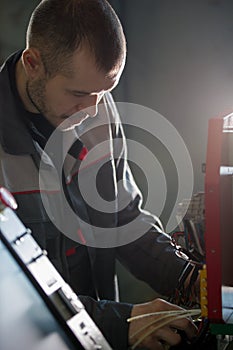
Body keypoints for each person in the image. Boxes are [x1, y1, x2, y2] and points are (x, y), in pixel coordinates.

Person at [0, 0, 198, 349]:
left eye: (104, 92)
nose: (93, 109)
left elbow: (121, 220)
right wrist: (119, 323)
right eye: (78, 93)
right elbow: (11, 300)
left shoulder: (94, 107)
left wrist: (188, 279)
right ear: (33, 64)